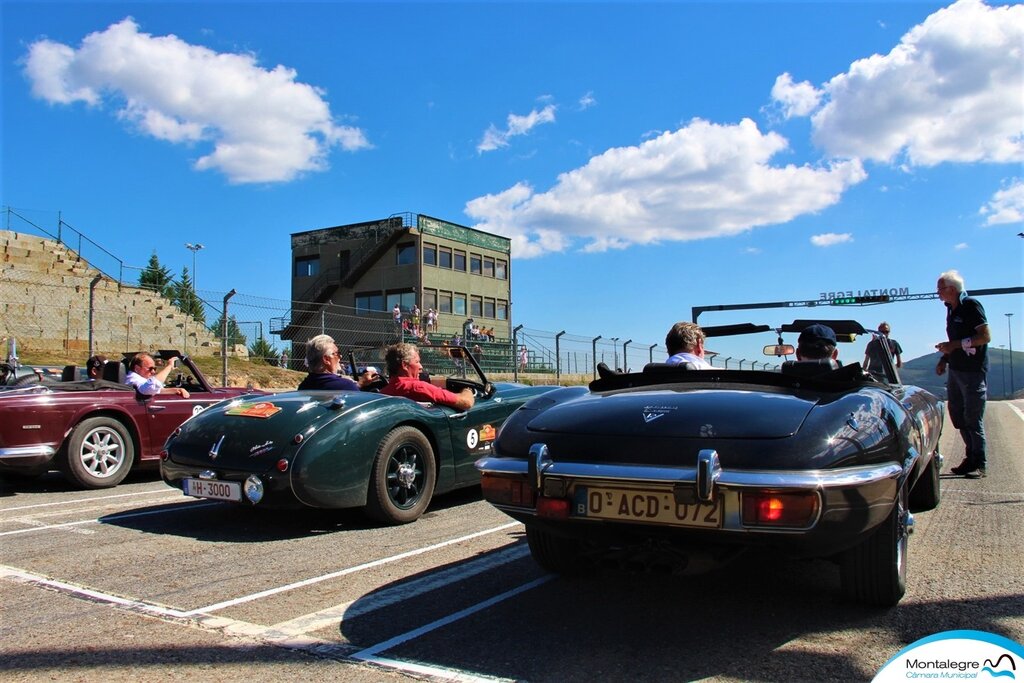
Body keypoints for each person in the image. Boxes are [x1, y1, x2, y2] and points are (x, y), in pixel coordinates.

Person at [934, 270, 991, 478]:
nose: (938, 293)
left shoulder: (971, 306)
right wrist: (945, 358)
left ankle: (979, 461)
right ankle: (970, 457)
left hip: (972, 371)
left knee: (973, 417)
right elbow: (956, 340)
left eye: (940, 289)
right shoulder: (951, 309)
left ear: (951, 289)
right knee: (957, 415)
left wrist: (954, 345)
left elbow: (984, 336)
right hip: (956, 370)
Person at [380, 342, 475, 410]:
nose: (421, 366)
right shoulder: (419, 387)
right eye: (417, 362)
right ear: (404, 365)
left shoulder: (382, 392)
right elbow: (466, 403)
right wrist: (468, 390)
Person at [298, 334, 378, 391]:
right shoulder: (345, 386)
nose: (340, 356)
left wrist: (360, 383)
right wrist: (360, 383)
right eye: (337, 353)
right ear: (326, 360)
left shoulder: (303, 387)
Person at [125, 353, 190, 398]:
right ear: (137, 368)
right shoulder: (133, 379)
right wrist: (169, 367)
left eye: (154, 369)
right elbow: (151, 387)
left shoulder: (138, 380)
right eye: (150, 368)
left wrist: (177, 390)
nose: (153, 372)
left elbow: (157, 390)